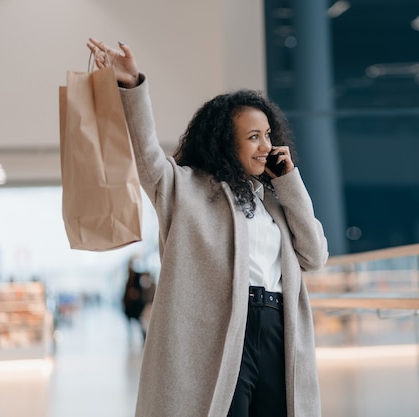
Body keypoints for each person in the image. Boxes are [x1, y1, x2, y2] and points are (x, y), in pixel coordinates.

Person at [86, 38, 329, 417]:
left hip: (279, 329)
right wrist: (131, 85)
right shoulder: (185, 188)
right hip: (221, 331)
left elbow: (314, 256)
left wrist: (289, 182)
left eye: (268, 135)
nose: (265, 145)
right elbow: (148, 154)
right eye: (253, 137)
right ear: (225, 143)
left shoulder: (276, 200)